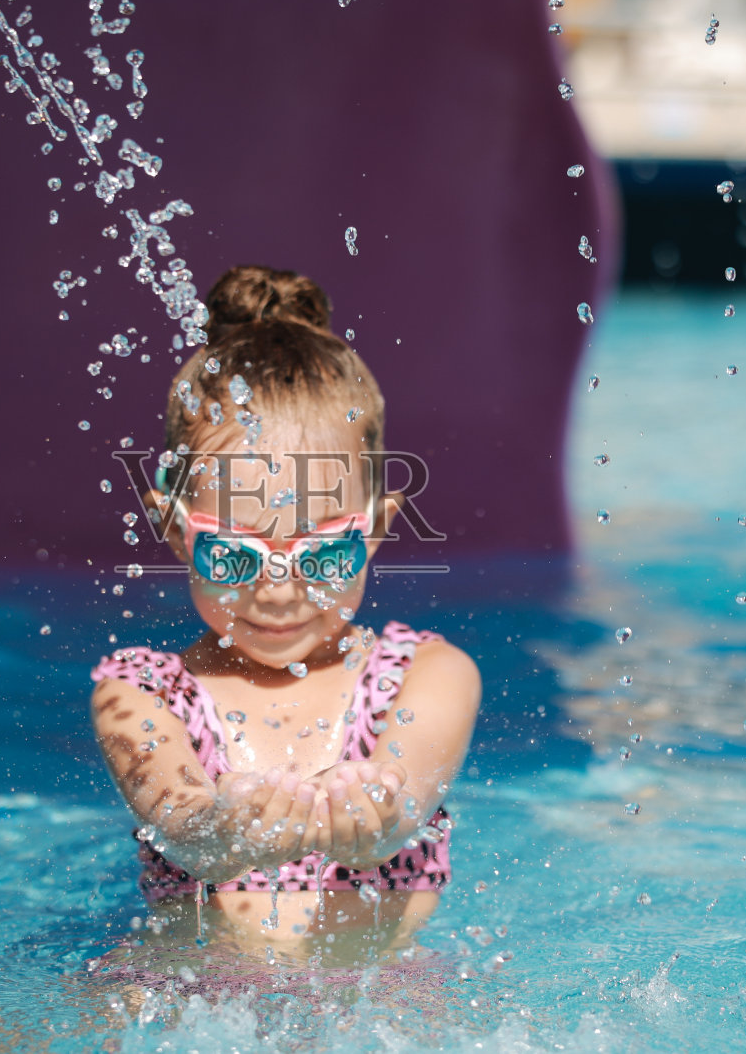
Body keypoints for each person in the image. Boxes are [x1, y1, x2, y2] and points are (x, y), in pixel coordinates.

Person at [88, 265, 483, 974]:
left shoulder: (428, 674)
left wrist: (378, 822)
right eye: (233, 555)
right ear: (175, 531)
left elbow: (407, 799)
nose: (278, 590)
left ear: (375, 528)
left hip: (383, 997)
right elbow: (183, 828)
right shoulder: (140, 693)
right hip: (199, 993)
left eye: (323, 553)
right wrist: (223, 831)